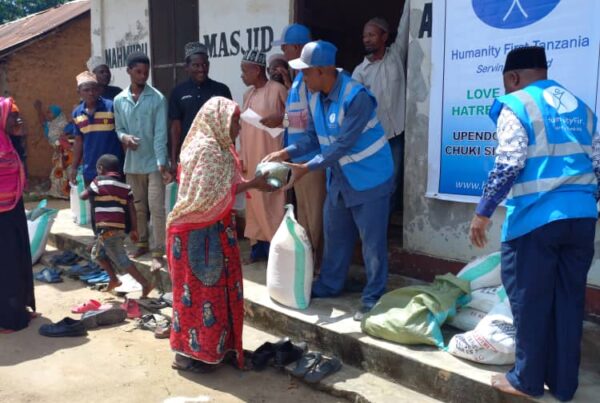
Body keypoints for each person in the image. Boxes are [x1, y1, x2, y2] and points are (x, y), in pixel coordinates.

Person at [469, 46, 599, 402]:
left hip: (536, 222)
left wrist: (482, 211)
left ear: (512, 78)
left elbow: (509, 162)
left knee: (530, 301)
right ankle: (563, 384)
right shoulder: (582, 108)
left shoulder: (518, 104)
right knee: (569, 301)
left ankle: (526, 381)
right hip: (582, 219)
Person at [263, 41, 394, 321]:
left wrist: (304, 168)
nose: (302, 77)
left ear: (322, 71)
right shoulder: (314, 94)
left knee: (372, 243)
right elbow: (312, 137)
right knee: (335, 232)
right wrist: (286, 151)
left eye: (306, 72)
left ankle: (373, 295)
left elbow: (342, 146)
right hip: (341, 177)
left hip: (371, 178)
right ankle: (330, 284)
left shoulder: (355, 96)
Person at [167, 96, 274, 373]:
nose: (238, 127)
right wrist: (254, 184)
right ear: (219, 121)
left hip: (215, 228)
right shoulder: (208, 150)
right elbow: (207, 194)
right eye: (234, 121)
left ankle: (216, 349)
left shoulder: (219, 148)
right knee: (201, 295)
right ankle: (191, 353)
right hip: (199, 233)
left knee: (220, 292)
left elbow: (222, 185)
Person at [264, 24, 327, 269]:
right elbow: (294, 117)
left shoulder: (309, 80)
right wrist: (280, 121)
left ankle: (317, 266)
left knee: (315, 216)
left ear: (298, 47)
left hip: (311, 159)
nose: (283, 50)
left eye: (286, 46)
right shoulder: (298, 81)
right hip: (297, 157)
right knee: (304, 217)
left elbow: (313, 120)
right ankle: (307, 265)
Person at [114, 52, 171, 269]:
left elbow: (160, 134)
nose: (142, 75)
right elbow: (118, 128)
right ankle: (143, 243)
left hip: (153, 163)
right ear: (128, 71)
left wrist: (161, 162)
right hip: (132, 163)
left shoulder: (157, 98)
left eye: (146, 72)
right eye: (138, 71)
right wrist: (124, 137)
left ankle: (159, 251)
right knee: (138, 207)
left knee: (156, 207)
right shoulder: (120, 100)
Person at [352, 0, 409, 215]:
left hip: (397, 134)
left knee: (393, 182)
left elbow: (405, 26)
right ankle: (377, 225)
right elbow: (354, 107)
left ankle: (384, 225)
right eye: (365, 35)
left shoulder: (396, 55)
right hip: (375, 138)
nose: (366, 39)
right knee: (379, 184)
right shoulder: (360, 72)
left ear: (384, 36)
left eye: (371, 35)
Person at [80, 154, 153, 296]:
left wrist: (92, 189)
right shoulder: (125, 186)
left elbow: (83, 195)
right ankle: (114, 279)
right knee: (97, 254)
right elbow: (132, 209)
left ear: (100, 169)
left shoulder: (98, 182)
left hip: (107, 228)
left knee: (121, 258)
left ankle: (145, 283)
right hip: (119, 228)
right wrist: (134, 229)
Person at [239, 49, 287, 261]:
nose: (242, 75)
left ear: (257, 70)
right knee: (253, 202)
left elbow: (294, 118)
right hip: (250, 157)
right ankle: (257, 245)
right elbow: (243, 127)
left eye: (244, 71)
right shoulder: (247, 95)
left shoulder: (277, 89)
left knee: (271, 201)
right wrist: (241, 157)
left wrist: (281, 119)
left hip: (271, 155)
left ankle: (274, 246)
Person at [0, 97, 35, 333]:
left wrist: (19, 136)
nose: (17, 119)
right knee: (6, 263)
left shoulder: (10, 140)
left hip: (14, 208)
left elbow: (21, 165)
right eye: (13, 115)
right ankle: (7, 318)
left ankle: (21, 306)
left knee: (19, 256)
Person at [169, 42, 232, 171]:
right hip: (188, 155)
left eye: (204, 65)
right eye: (196, 65)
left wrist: (232, 155)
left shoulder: (221, 90)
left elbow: (229, 125)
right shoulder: (178, 92)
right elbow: (176, 128)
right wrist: (174, 159)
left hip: (216, 155)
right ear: (187, 67)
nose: (201, 69)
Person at [71, 71, 124, 187]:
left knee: (116, 203)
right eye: (86, 90)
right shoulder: (77, 114)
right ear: (79, 92)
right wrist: (74, 167)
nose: (91, 93)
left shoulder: (111, 107)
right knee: (94, 204)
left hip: (113, 169)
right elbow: (78, 141)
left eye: (94, 89)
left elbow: (122, 136)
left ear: (99, 90)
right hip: (90, 170)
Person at [33, 100, 73, 199]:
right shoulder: (51, 123)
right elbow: (43, 122)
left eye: (49, 112)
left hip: (65, 152)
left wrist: (62, 146)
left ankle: (64, 193)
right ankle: (61, 192)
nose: (47, 114)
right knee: (59, 173)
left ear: (56, 113)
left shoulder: (63, 124)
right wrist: (39, 109)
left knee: (61, 172)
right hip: (58, 152)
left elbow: (68, 137)